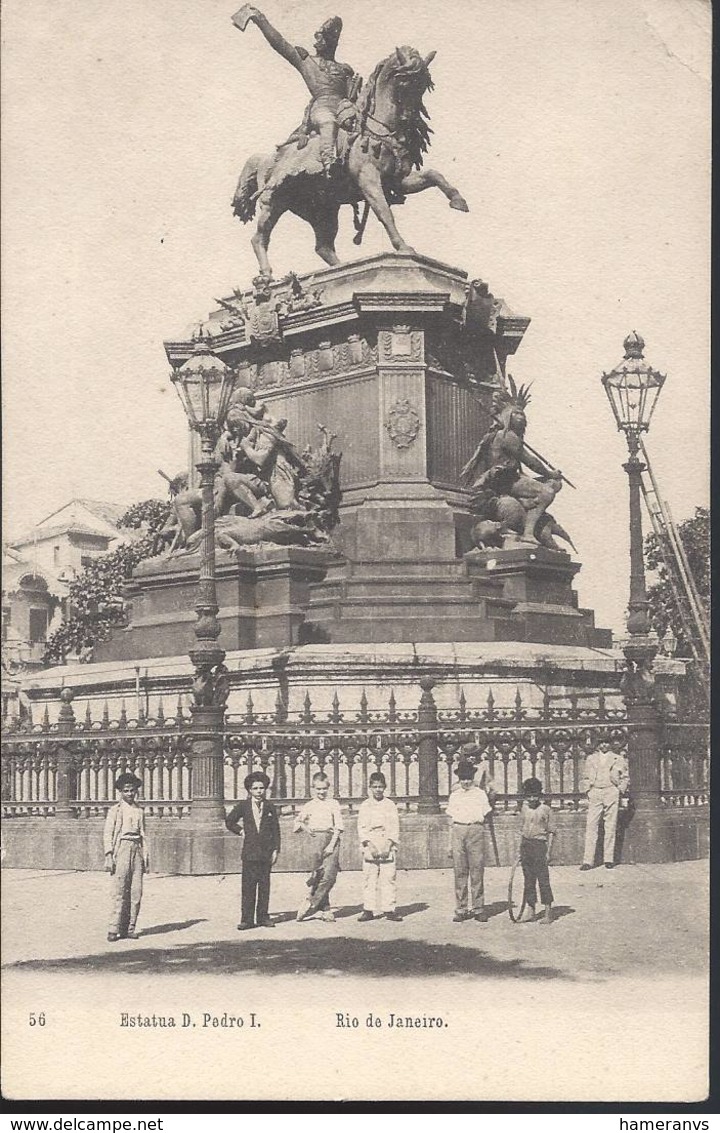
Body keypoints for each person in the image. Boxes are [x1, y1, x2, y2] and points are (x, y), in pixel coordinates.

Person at [234, 7, 359, 175]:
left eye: (324, 38)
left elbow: (354, 96)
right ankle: (329, 162)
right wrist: (260, 19)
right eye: (319, 38)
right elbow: (280, 44)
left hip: (344, 109)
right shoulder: (306, 61)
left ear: (332, 42)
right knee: (328, 122)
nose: (319, 42)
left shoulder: (345, 69)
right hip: (321, 108)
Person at [225, 771, 281, 930]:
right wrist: (241, 831)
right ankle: (247, 919)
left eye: (261, 788)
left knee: (264, 886)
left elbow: (276, 830)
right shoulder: (243, 806)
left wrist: (276, 849)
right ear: (249, 790)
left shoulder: (270, 806)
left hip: (266, 853)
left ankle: (263, 917)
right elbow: (229, 821)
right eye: (255, 788)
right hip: (250, 853)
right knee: (248, 887)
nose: (259, 791)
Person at [103, 772, 149, 942]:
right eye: (126, 791)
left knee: (136, 891)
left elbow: (144, 834)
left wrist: (145, 856)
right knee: (119, 890)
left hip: (136, 848)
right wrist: (109, 854)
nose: (130, 794)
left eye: (132, 790)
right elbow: (108, 833)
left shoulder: (139, 810)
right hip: (121, 848)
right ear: (120, 792)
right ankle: (113, 928)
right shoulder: (115, 810)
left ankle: (130, 928)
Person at [446, 759, 492, 922]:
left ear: (473, 777)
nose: (466, 781)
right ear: (459, 779)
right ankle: (461, 908)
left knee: (477, 870)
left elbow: (486, 814)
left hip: (475, 830)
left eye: (468, 778)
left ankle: (478, 908)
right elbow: (451, 820)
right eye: (463, 778)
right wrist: (449, 844)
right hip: (458, 831)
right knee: (460, 871)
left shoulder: (479, 794)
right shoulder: (455, 795)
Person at [294, 771, 343, 922]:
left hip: (331, 839)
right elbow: (298, 822)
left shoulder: (333, 803)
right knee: (319, 875)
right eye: (318, 789)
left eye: (324, 789)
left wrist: (331, 845)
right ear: (313, 788)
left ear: (328, 788)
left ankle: (311, 901)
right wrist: (308, 830)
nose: (321, 792)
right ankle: (326, 910)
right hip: (316, 840)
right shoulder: (310, 805)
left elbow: (339, 826)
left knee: (330, 875)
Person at [357, 771, 402, 922]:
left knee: (388, 878)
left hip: (386, 841)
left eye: (381, 787)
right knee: (369, 878)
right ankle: (368, 909)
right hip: (371, 842)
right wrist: (370, 845)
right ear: (370, 787)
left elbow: (394, 827)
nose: (378, 789)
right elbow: (361, 828)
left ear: (385, 787)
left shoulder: (390, 805)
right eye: (375, 786)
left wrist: (388, 844)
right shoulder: (365, 805)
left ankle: (389, 909)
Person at [580, 739, 630, 870]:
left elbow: (625, 776)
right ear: (597, 744)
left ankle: (608, 859)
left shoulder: (617, 758)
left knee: (610, 825)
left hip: (610, 791)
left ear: (611, 744)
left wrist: (619, 790)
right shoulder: (591, 758)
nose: (604, 745)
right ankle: (588, 861)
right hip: (595, 791)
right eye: (601, 742)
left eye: (606, 742)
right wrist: (588, 790)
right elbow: (585, 776)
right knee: (591, 825)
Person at [517, 776, 555, 925]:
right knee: (528, 880)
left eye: (535, 795)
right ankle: (530, 910)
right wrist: (519, 850)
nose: (532, 799)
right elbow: (522, 829)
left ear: (540, 795)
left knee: (543, 880)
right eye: (529, 796)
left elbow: (551, 832)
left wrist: (549, 852)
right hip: (526, 845)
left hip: (539, 846)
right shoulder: (524, 809)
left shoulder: (546, 810)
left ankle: (547, 912)